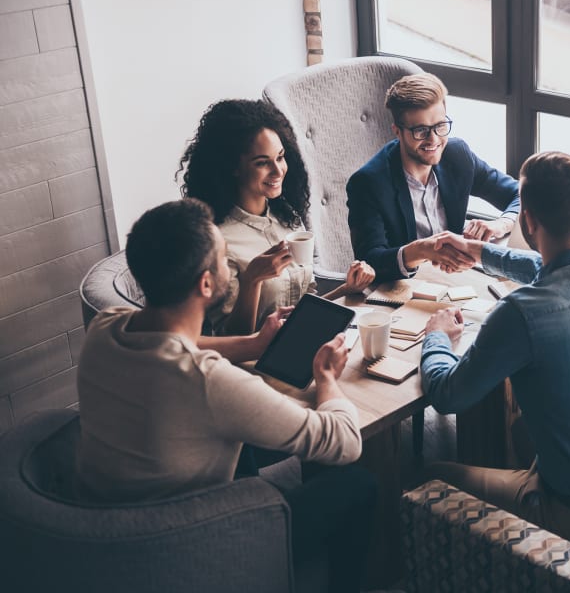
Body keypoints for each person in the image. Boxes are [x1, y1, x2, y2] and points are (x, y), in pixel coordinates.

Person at [76, 199, 375, 592]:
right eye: (222, 257)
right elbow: (344, 442)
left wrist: (253, 344)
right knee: (357, 483)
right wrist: (326, 378)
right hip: (189, 547)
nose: (229, 264)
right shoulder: (208, 382)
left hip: (116, 529)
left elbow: (181, 341)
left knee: (265, 445)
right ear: (206, 283)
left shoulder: (107, 328)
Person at [418, 151, 570, 547]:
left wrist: (438, 335)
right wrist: (479, 252)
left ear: (527, 221)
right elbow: (558, 270)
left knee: (428, 474)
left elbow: (447, 395)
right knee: (519, 430)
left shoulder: (520, 313)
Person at [178, 99, 375, 335]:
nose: (278, 170)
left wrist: (346, 288)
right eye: (262, 162)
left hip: (303, 341)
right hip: (255, 363)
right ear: (233, 167)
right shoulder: (218, 240)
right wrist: (252, 280)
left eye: (280, 157)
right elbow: (228, 340)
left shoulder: (286, 216)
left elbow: (302, 309)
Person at [346, 72, 521, 281]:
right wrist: (421, 250)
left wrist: (500, 224)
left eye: (440, 126)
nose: (434, 140)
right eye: (421, 130)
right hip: (403, 291)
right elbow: (370, 262)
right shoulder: (368, 184)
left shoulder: (457, 155)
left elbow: (521, 194)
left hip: (458, 280)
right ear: (397, 131)